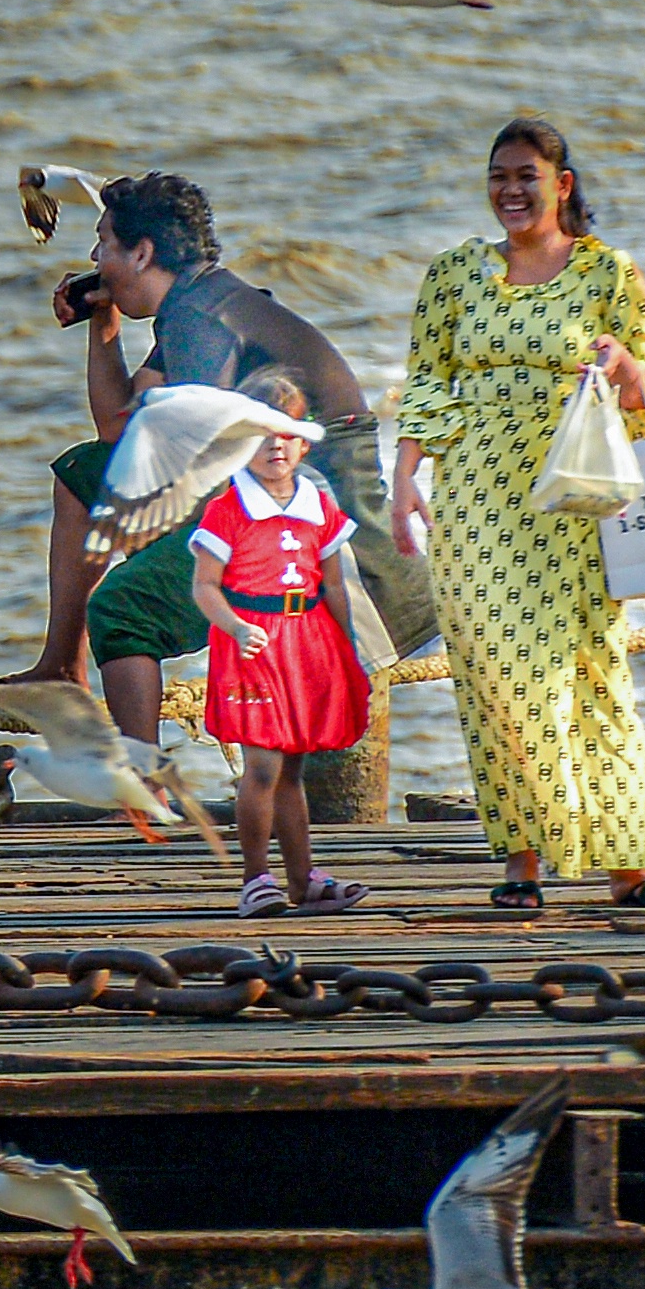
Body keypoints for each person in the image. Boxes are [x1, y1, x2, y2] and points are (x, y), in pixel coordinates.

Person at [16, 171, 400, 750]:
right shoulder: (200, 302)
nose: (94, 258)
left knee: (122, 608)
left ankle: (143, 787)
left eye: (103, 243)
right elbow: (116, 427)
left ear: (142, 253)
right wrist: (104, 322)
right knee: (80, 475)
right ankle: (60, 668)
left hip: (319, 521)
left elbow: (176, 450)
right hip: (259, 483)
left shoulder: (200, 320)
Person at [396, 117, 645, 911]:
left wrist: (624, 366)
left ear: (561, 185)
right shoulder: (453, 275)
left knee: (590, 669)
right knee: (493, 678)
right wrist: (406, 478)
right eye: (498, 176)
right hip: (475, 500)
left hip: (573, 499)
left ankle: (624, 860)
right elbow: (424, 384)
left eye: (527, 176)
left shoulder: (606, 274)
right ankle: (523, 859)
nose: (511, 191)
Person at [191, 373, 389, 916]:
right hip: (252, 642)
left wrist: (348, 654)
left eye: (286, 432)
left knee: (294, 770)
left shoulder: (318, 506)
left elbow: (333, 585)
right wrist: (233, 627)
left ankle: (302, 879)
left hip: (308, 640)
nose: (275, 445)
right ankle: (256, 879)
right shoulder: (227, 510)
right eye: (260, 432)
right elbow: (204, 585)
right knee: (261, 766)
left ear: (305, 440)